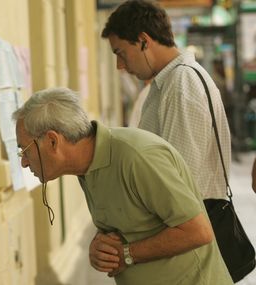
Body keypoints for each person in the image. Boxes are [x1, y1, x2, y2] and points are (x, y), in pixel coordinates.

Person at [13, 87, 232, 285]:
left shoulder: (137, 156)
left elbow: (198, 232)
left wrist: (127, 254)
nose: (23, 161)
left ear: (52, 141)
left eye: (25, 150)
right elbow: (126, 227)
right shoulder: (87, 167)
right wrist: (99, 249)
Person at [91, 0, 232, 274]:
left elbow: (179, 184)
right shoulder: (167, 84)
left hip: (186, 249)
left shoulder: (181, 86)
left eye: (121, 52)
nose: (120, 65)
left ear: (144, 41)